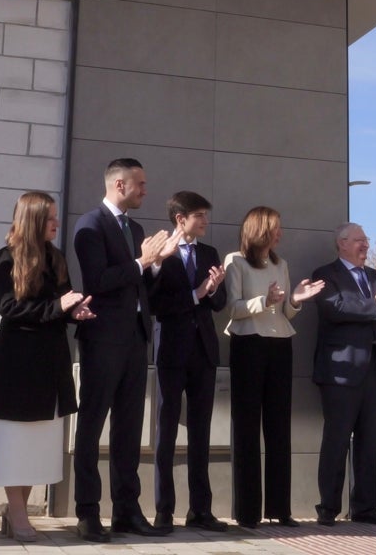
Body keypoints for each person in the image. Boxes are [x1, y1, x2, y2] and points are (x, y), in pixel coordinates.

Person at [71, 158, 179, 542]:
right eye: (141, 184)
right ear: (120, 185)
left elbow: (140, 286)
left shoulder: (135, 228)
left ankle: (127, 511)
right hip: (102, 339)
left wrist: (154, 267)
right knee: (91, 425)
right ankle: (87, 512)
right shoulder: (90, 225)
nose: (146, 191)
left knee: (130, 428)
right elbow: (98, 281)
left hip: (135, 339)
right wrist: (142, 262)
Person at [0, 192, 94, 543]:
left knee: (39, 440)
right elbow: (9, 309)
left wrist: (74, 309)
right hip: (18, 359)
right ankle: (18, 513)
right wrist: (57, 306)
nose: (56, 223)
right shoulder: (6, 259)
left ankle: (15, 511)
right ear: (33, 219)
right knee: (15, 438)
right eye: (50, 217)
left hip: (50, 357)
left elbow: (60, 301)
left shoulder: (55, 257)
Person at [224, 206, 323, 530]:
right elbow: (234, 309)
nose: (280, 233)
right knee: (247, 428)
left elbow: (286, 313)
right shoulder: (235, 261)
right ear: (260, 230)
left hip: (281, 344)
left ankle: (280, 509)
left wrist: (295, 299)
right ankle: (248, 512)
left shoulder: (282, 264)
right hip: (248, 344)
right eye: (275, 227)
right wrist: (263, 301)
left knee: (279, 427)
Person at [312, 222, 376, 526]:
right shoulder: (326, 275)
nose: (366, 246)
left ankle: (365, 507)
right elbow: (335, 310)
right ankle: (328, 507)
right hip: (341, 372)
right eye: (360, 241)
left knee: (369, 444)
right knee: (337, 440)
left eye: (367, 241)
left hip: (375, 373)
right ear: (342, 244)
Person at [149, 192, 229, 532]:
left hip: (204, 352)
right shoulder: (161, 252)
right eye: (200, 216)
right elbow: (155, 303)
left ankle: (201, 510)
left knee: (201, 432)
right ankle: (164, 511)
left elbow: (219, 302)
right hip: (171, 349)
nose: (206, 222)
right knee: (166, 431)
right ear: (181, 219)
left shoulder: (209, 252)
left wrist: (213, 289)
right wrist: (195, 294)